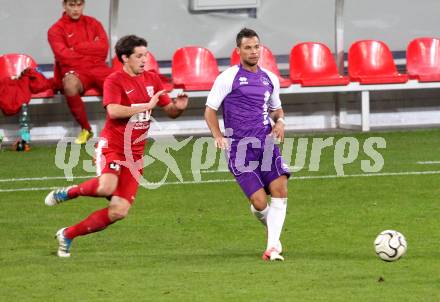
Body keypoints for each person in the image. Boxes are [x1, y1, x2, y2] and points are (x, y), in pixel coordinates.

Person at [44, 35, 189, 257]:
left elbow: (169, 110)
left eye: (145, 55)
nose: (144, 60)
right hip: (112, 146)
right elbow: (112, 111)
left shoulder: (153, 79)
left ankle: (68, 234)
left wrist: (178, 107)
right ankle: (70, 192)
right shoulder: (114, 80)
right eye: (139, 56)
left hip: (135, 156)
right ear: (124, 58)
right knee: (106, 187)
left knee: (119, 211)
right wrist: (144, 106)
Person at [204, 28, 290, 261]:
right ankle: (272, 231)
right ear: (238, 50)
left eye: (256, 47)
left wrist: (280, 121)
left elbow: (276, 109)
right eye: (248, 47)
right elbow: (210, 110)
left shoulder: (270, 79)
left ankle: (272, 247)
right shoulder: (227, 78)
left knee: (280, 190)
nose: (253, 52)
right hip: (238, 147)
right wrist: (217, 135)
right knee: (260, 203)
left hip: (266, 143)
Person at [48, 0, 113, 144]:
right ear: (64, 5)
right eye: (72, 5)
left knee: (117, 83)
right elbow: (64, 56)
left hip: (97, 67)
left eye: (79, 5)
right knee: (70, 85)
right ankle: (86, 129)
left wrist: (76, 47)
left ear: (83, 5)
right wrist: (90, 49)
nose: (76, 9)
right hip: (75, 70)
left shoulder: (94, 23)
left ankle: (119, 131)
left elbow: (103, 49)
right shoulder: (55, 30)